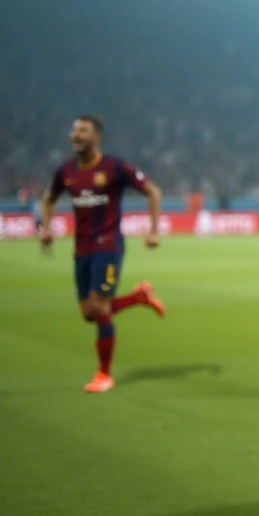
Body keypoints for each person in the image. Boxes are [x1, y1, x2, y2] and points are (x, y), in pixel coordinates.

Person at [41, 116, 166, 393]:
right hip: (81, 248)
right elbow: (48, 199)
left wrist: (154, 230)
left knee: (98, 307)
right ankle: (138, 297)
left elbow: (153, 191)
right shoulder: (66, 170)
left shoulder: (114, 166)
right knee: (89, 313)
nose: (76, 134)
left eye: (83, 130)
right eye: (74, 129)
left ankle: (104, 374)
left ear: (96, 137)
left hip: (108, 245)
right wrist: (46, 229)